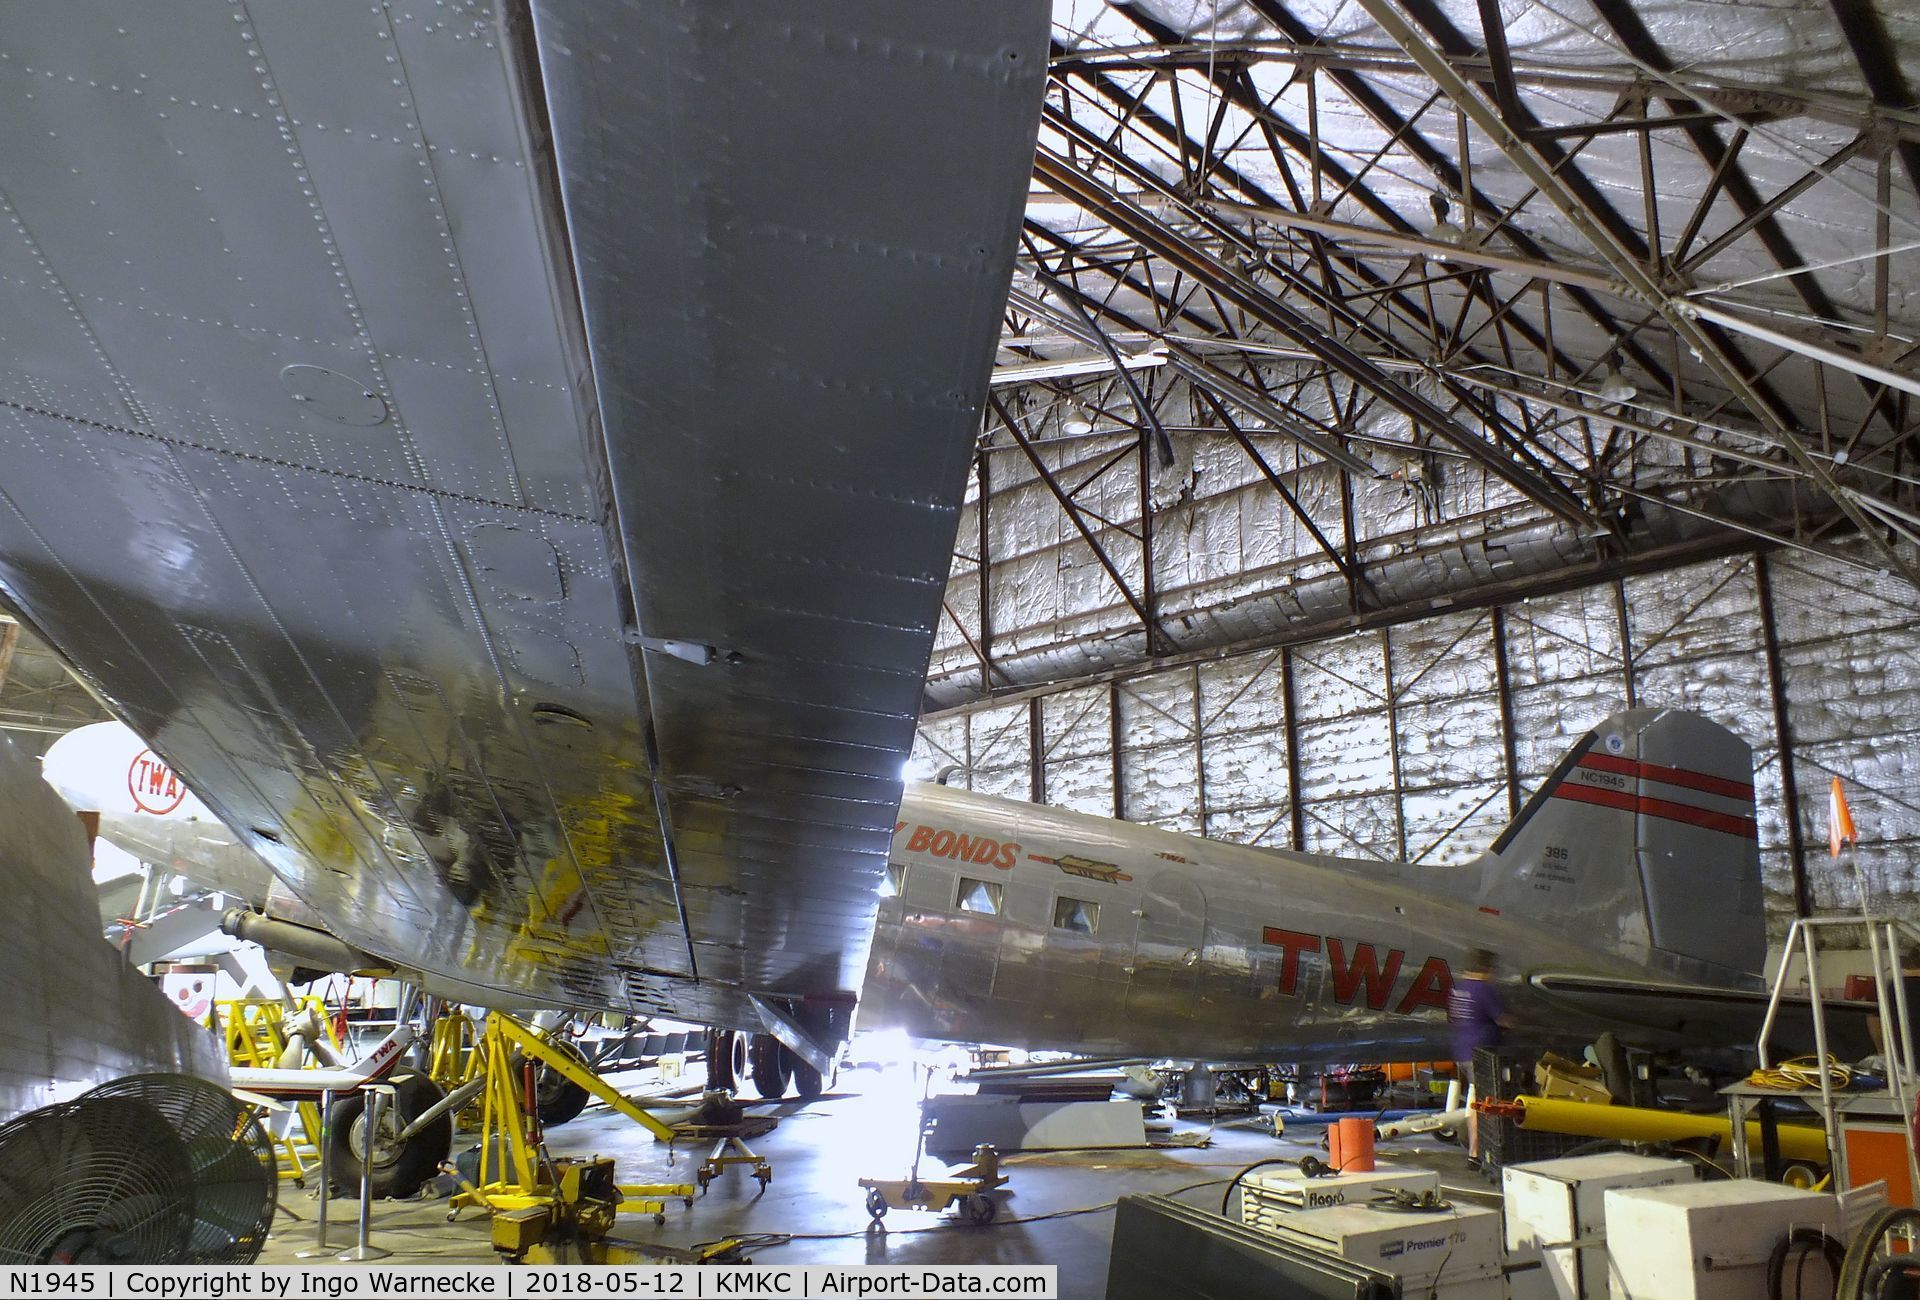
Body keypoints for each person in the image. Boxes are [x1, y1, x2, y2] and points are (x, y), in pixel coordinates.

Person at [1449, 948, 1513, 1165]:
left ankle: (1474, 1151)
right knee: (1484, 1103)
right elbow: (1501, 1019)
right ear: (1486, 969)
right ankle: (1478, 1153)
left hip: (1464, 1050)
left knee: (1473, 1099)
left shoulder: (1458, 989)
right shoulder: (1483, 989)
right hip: (1483, 1055)